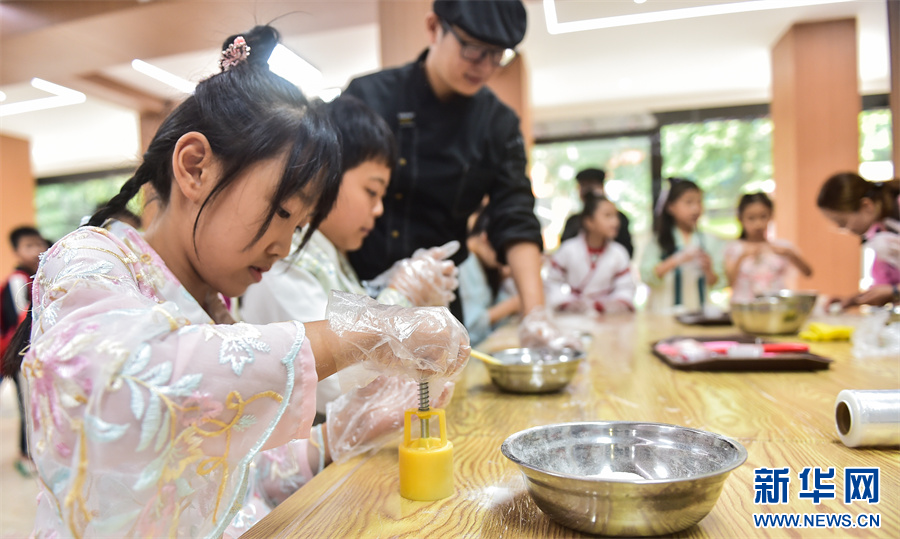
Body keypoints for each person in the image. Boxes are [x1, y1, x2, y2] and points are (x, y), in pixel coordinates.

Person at [4, 26, 469, 539]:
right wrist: (365, 332)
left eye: (297, 229)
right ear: (195, 167)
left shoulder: (215, 306)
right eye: (282, 212)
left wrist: (342, 430)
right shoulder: (88, 258)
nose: (284, 246)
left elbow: (227, 475)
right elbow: (116, 393)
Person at [342, 0, 563, 349]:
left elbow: (515, 215)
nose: (486, 67)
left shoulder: (498, 124)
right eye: (474, 51)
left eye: (498, 55)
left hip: (439, 309)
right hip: (356, 295)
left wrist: (535, 313)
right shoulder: (369, 97)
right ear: (434, 28)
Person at [240, 94, 459, 424]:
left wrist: (398, 290)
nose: (379, 209)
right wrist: (402, 295)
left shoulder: (330, 257)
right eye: (372, 191)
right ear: (325, 176)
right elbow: (341, 387)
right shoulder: (282, 263)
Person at [0, 226, 49, 477]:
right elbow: (21, 316)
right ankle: (24, 453)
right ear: (16, 251)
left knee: (36, 402)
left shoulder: (40, 274)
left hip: (36, 350)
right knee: (25, 403)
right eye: (28, 246)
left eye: (39, 244)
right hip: (19, 352)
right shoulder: (18, 280)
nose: (36, 250)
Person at [816, 172, 900, 308]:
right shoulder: (879, 231)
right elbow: (886, 285)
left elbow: (892, 290)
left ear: (866, 206)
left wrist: (894, 291)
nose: (843, 228)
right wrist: (855, 300)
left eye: (843, 222)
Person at [639, 177, 722, 314]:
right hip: (663, 312)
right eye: (689, 202)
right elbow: (647, 277)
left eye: (699, 202)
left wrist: (708, 269)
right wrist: (676, 260)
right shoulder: (659, 240)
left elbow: (716, 282)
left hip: (698, 312)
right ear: (671, 207)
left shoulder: (708, 240)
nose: (696, 208)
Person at [547, 192, 635, 314]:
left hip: (609, 317)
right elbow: (552, 282)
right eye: (608, 216)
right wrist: (566, 303)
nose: (615, 222)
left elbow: (626, 287)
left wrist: (612, 304)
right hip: (573, 316)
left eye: (616, 216)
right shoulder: (568, 249)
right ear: (589, 221)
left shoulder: (619, 253)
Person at [724, 192, 813, 303]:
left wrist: (790, 254)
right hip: (745, 308)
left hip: (777, 307)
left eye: (763, 216)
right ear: (740, 218)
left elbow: (808, 272)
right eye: (751, 218)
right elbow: (729, 283)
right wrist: (742, 257)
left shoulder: (782, 247)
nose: (758, 224)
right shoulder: (734, 249)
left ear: (771, 215)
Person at [458, 207, 520, 345]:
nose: (504, 264)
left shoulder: (479, 263)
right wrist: (513, 304)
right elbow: (469, 327)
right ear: (486, 237)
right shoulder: (465, 264)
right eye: (504, 255)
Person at [559, 168, 633, 257]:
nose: (588, 191)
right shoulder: (573, 222)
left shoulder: (620, 219)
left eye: (593, 185)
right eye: (584, 186)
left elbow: (627, 252)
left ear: (602, 187)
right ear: (588, 221)